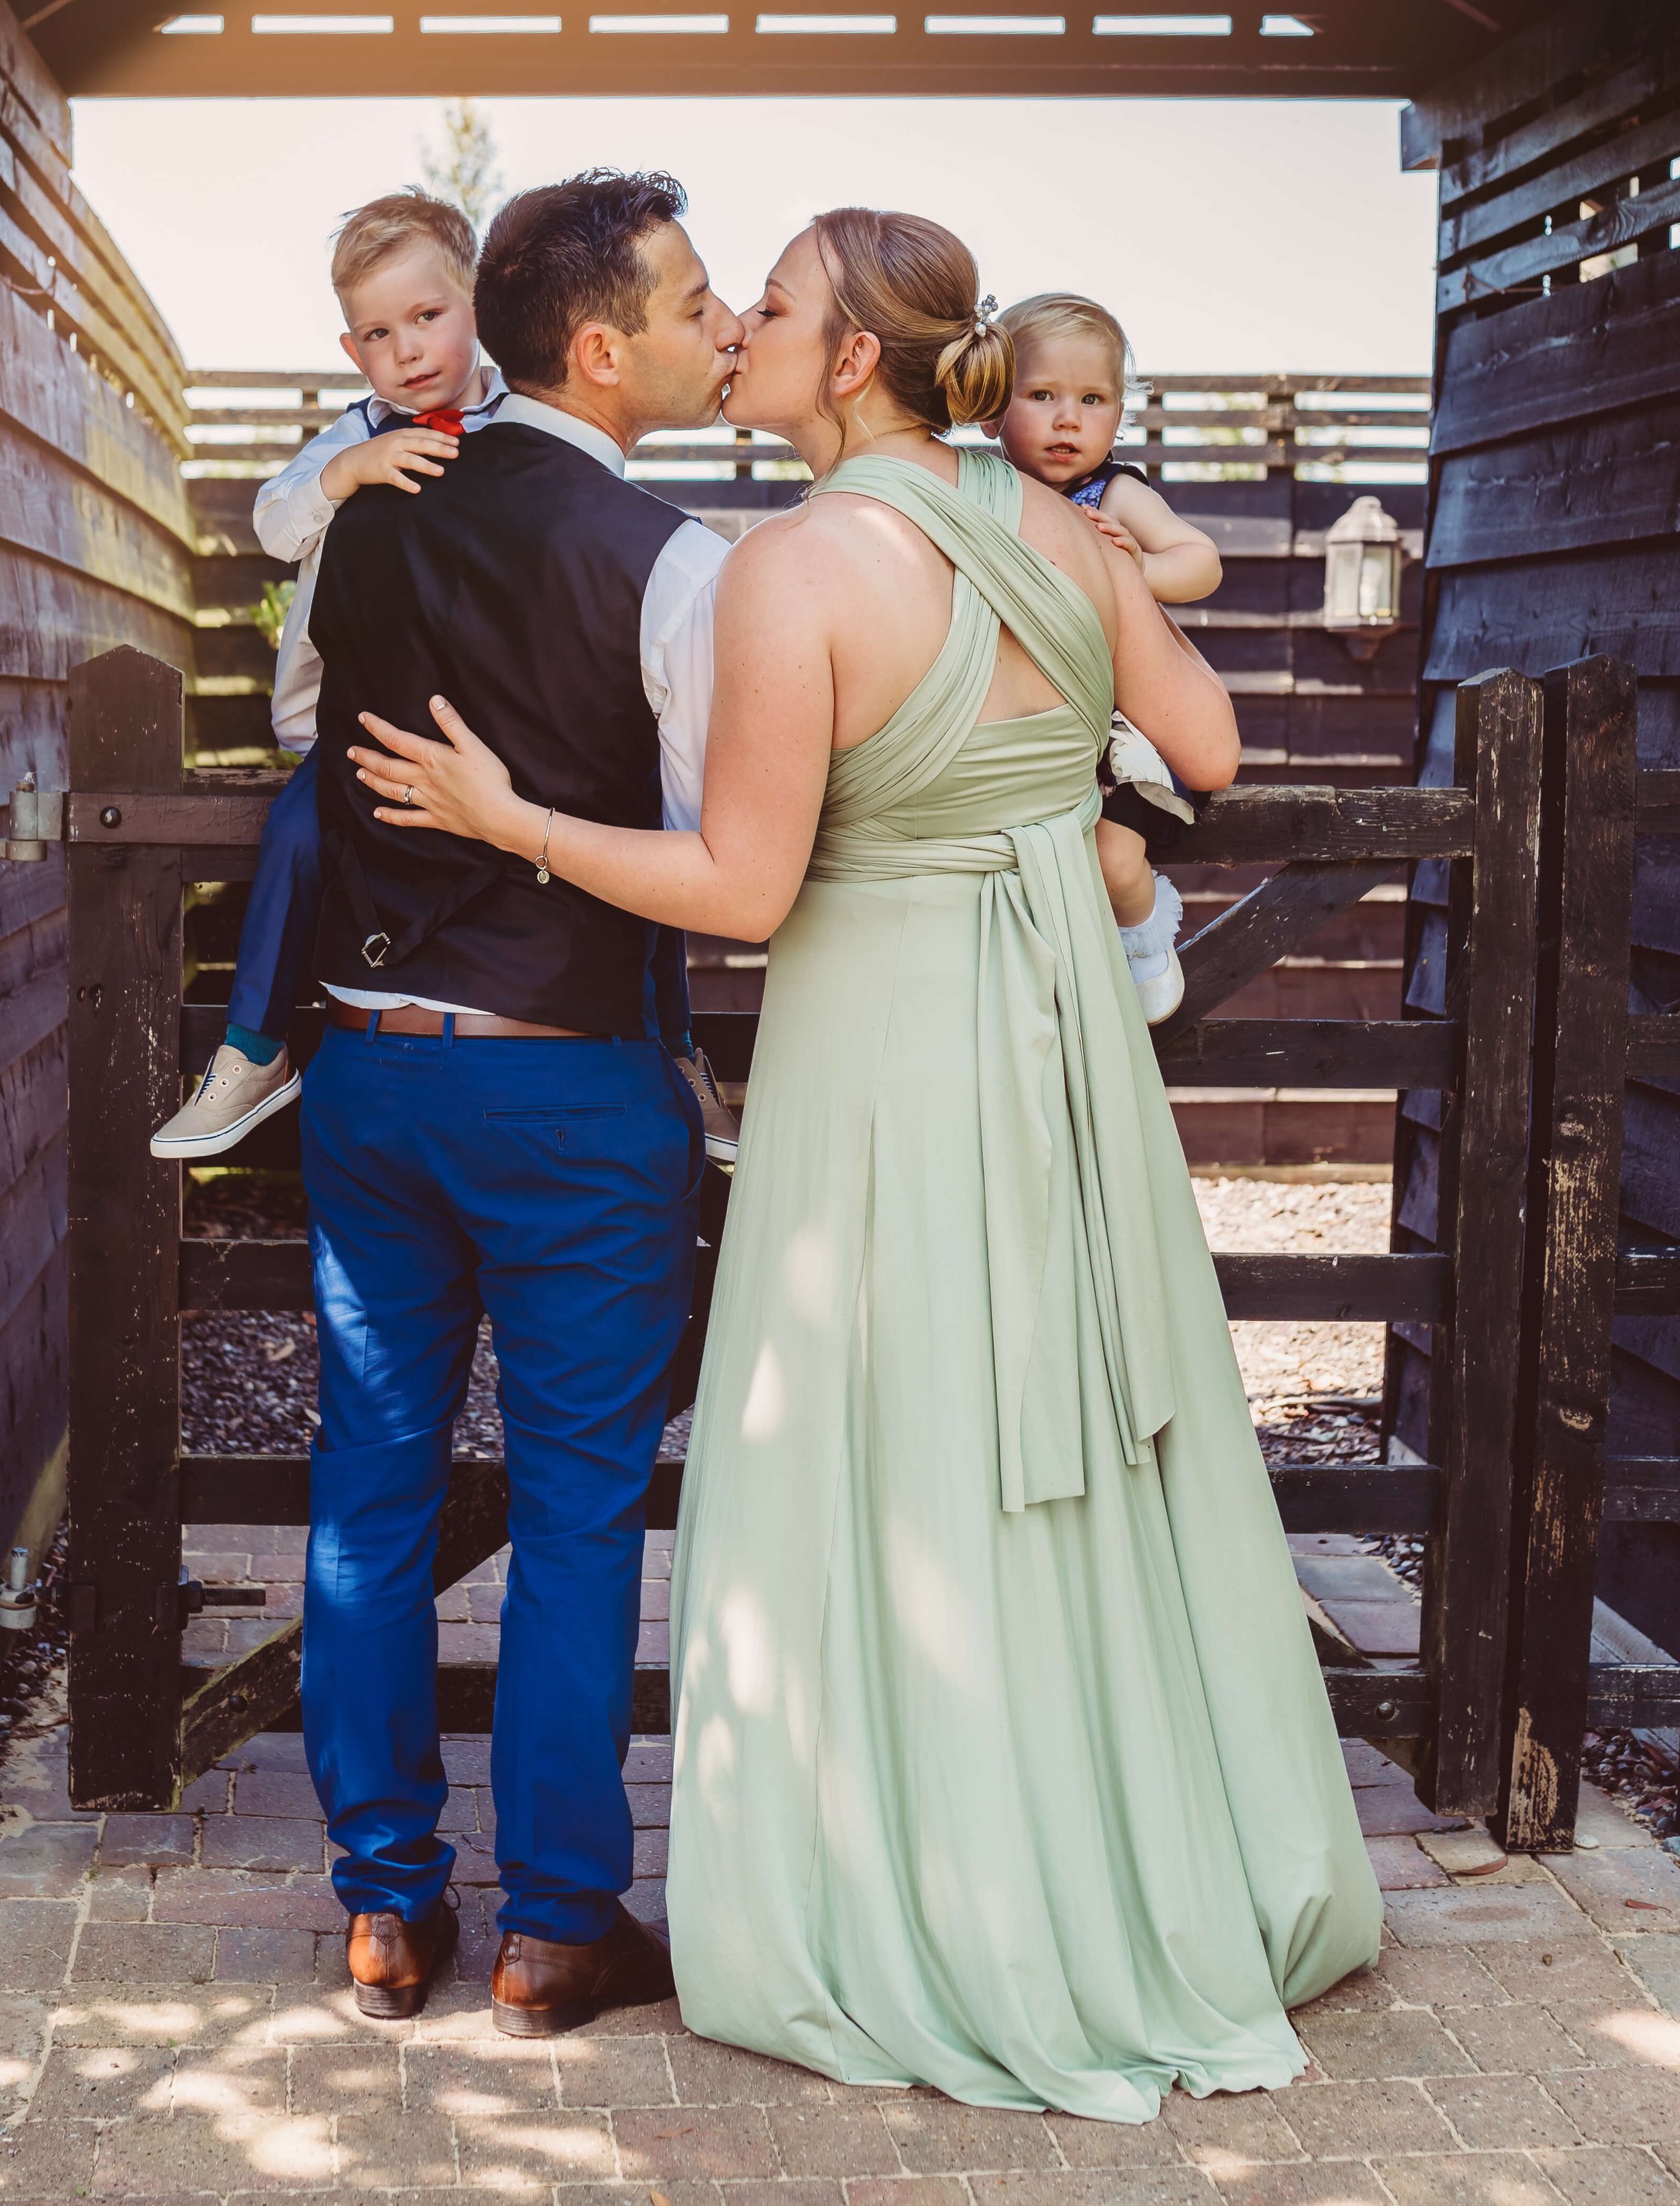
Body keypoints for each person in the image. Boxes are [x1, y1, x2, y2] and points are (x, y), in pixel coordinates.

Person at [349, 207, 1382, 2115]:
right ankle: (1141, 1850)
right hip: (1057, 1038)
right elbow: (1213, 743)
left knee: (892, 1433)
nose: (735, 322)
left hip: (886, 1045)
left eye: (777, 303)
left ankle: (932, 1878)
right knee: (1059, 1422)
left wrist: (512, 816)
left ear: (848, 360)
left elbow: (740, 888)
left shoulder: (789, 569)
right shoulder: (1059, 526)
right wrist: (1053, 810)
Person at [298, 171, 746, 2038]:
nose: (716, 327)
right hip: (568, 1087)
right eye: (694, 299)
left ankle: (386, 1905)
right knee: (576, 1511)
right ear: (597, 339)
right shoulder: (674, 558)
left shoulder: (366, 521)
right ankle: (557, 1922)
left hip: (374, 1073)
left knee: (368, 1493)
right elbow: (729, 841)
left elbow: (321, 744)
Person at [150, 191, 499, 1160]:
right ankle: (254, 1048)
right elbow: (270, 523)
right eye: (380, 334)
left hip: (505, 713)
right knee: (300, 830)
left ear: (476, 305)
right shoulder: (353, 433)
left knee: (620, 819)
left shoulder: (529, 422)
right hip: (366, 717)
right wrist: (350, 472)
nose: (410, 350)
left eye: (429, 316)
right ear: (354, 351)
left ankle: (674, 1047)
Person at [987, 291, 1225, 1025]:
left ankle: (1146, 938)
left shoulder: (1115, 494)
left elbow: (1202, 561)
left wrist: (1140, 569)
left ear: (1119, 413)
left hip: (1121, 731)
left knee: (1113, 859)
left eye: (1093, 399)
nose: (1068, 419)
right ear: (994, 407)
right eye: (1042, 395)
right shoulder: (983, 487)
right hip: (1024, 718)